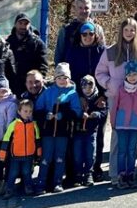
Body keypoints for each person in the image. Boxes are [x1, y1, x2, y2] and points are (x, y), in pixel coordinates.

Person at [95, 17, 137, 182]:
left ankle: (129, 173)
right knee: (118, 136)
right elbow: (100, 72)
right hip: (117, 99)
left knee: (133, 137)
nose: (129, 33)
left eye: (132, 30)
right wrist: (110, 85)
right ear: (121, 31)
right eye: (126, 30)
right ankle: (114, 173)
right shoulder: (111, 51)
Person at [65, 21, 106, 181]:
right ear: (80, 36)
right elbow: (70, 77)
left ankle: (95, 168)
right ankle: (77, 170)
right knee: (77, 135)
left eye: (91, 33)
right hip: (78, 97)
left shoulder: (102, 51)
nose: (88, 37)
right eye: (84, 34)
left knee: (98, 136)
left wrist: (103, 95)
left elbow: (106, 74)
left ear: (95, 35)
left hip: (98, 98)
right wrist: (79, 96)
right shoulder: (73, 51)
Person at [34, 63, 81, 193]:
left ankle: (57, 182)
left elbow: (77, 112)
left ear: (69, 79)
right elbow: (37, 109)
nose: (62, 80)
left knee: (60, 158)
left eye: (65, 78)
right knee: (45, 158)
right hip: (47, 131)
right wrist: (45, 115)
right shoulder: (48, 92)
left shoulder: (72, 93)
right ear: (55, 78)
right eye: (59, 77)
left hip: (63, 132)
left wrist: (64, 115)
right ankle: (41, 183)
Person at [111, 61, 137, 188]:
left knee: (132, 151)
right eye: (129, 75)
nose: (132, 77)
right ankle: (121, 175)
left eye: (135, 74)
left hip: (135, 126)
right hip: (121, 125)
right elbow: (114, 108)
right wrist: (113, 122)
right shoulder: (121, 90)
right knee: (122, 151)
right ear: (125, 77)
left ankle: (131, 174)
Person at [0, 99, 41, 198]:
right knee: (13, 173)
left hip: (29, 155)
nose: (28, 113)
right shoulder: (14, 124)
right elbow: (6, 138)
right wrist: (2, 153)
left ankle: (28, 188)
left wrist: (39, 152)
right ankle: (9, 190)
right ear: (19, 111)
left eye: (30, 111)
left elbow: (38, 139)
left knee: (27, 172)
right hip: (16, 155)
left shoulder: (34, 125)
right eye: (25, 111)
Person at [72, 75, 107, 187]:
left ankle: (89, 173)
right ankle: (78, 174)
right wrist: (79, 114)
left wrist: (95, 114)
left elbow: (104, 112)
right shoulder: (77, 98)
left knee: (91, 153)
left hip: (92, 131)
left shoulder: (98, 98)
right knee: (77, 153)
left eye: (90, 87)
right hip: (78, 130)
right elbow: (71, 111)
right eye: (85, 87)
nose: (87, 90)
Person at [5, 13, 47, 95]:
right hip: (12, 85)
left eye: (26, 23)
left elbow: (43, 64)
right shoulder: (8, 43)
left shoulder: (37, 43)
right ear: (15, 24)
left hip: (32, 86)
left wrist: (38, 81)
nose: (23, 26)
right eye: (20, 23)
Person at [54, 0, 91, 66]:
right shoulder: (65, 30)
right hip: (70, 73)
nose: (83, 11)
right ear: (75, 10)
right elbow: (59, 54)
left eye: (86, 8)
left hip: (92, 74)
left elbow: (102, 54)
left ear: (90, 10)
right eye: (80, 8)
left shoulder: (97, 29)